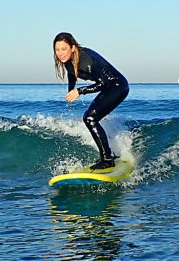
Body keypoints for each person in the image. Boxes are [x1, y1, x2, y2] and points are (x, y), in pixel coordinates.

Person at [53, 32, 129, 170]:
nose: (60, 53)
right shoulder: (68, 60)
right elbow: (72, 74)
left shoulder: (86, 60)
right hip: (108, 86)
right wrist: (71, 89)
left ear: (73, 47)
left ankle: (107, 159)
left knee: (89, 118)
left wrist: (80, 91)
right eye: (57, 50)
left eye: (64, 49)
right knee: (90, 118)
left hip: (118, 86)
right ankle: (108, 155)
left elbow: (103, 83)